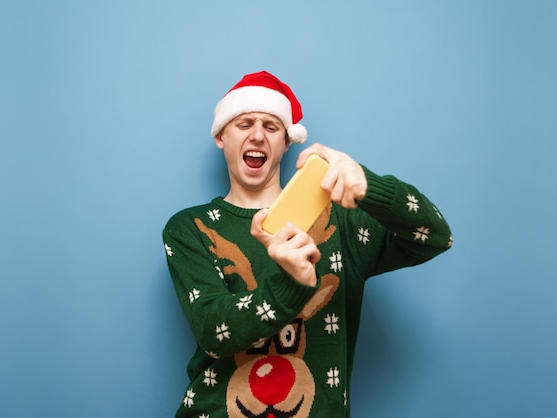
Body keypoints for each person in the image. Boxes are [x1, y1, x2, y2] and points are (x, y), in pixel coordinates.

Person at [162, 70, 453, 417]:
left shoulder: (341, 223)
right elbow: (215, 331)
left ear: (287, 142)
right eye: (244, 124)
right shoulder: (189, 229)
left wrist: (370, 187)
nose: (257, 135)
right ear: (221, 136)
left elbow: (434, 236)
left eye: (271, 127)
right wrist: (292, 285)